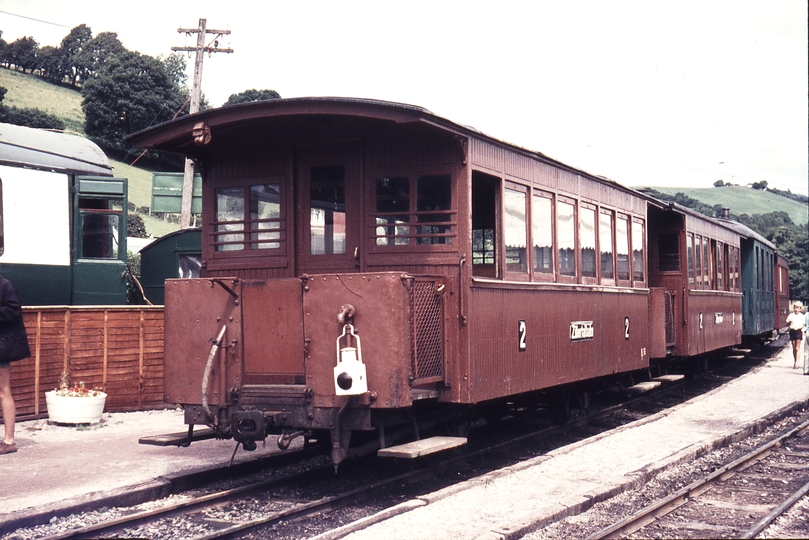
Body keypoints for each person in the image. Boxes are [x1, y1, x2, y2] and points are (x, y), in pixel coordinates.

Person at [0, 274, 31, 455]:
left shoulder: (6, 286)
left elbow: (13, 311)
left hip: (1, 345)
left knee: (3, 391)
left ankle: (9, 441)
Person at [786, 302, 806, 369]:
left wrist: (799, 328)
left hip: (798, 331)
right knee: (794, 348)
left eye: (798, 308)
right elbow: (787, 324)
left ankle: (797, 363)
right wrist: (789, 322)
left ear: (800, 309)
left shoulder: (802, 316)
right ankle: (795, 361)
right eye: (795, 308)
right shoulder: (791, 315)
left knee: (797, 348)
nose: (796, 309)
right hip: (792, 331)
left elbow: (804, 325)